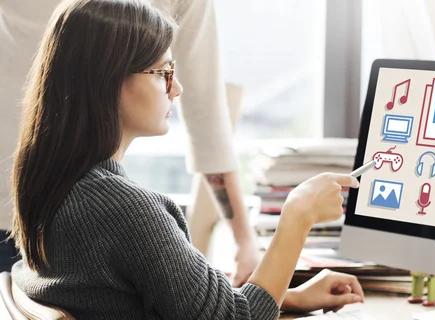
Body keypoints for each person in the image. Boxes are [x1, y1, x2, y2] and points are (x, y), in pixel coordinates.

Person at [9, 0, 365, 319]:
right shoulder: (122, 210)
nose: (176, 87)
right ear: (109, 79)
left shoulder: (54, 186)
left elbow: (175, 299)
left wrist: (287, 297)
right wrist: (298, 214)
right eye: (162, 73)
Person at [0, 0, 260, 284]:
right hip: (38, 211)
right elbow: (206, 116)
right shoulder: (132, 214)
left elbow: (206, 117)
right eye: (162, 73)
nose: (175, 88)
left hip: (34, 200)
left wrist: (242, 240)